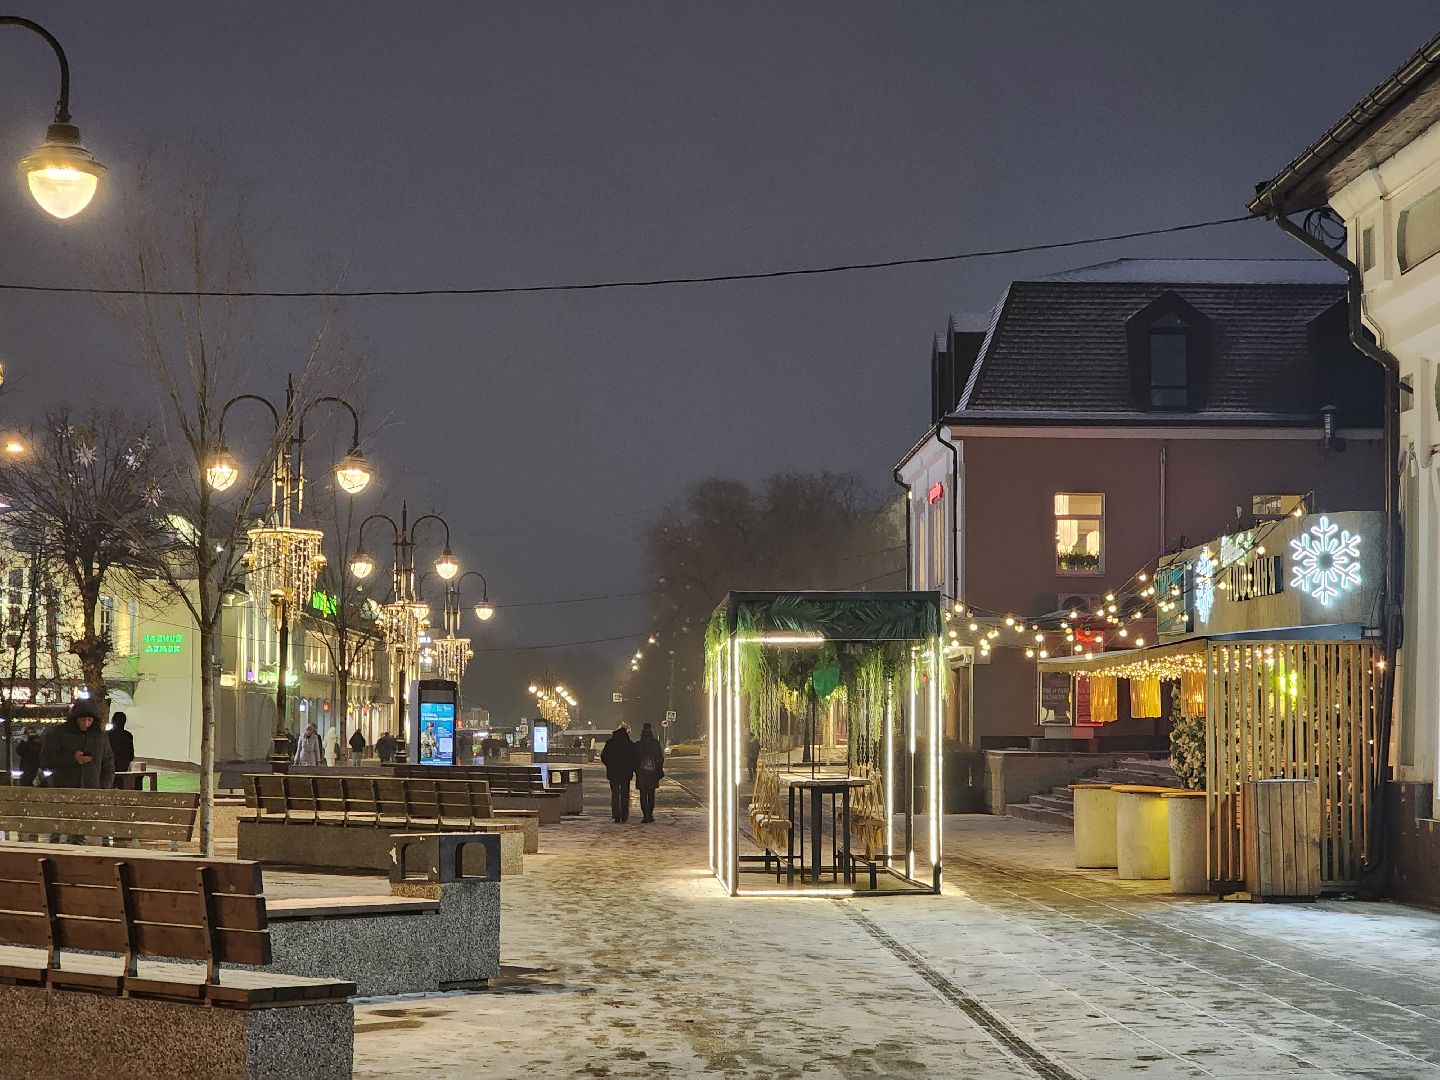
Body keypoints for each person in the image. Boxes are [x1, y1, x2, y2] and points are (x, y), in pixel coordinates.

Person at [40, 700, 115, 789]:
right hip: (64, 789)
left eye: (89, 720)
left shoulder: (100, 738)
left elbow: (108, 764)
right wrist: (72, 758)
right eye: (83, 720)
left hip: (93, 790)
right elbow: (46, 759)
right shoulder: (58, 734)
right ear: (75, 718)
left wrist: (104, 787)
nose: (86, 723)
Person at [600, 721, 638, 823]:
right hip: (626, 773)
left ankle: (616, 815)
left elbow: (604, 756)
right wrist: (632, 767)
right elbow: (634, 757)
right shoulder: (629, 744)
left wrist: (609, 765)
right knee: (625, 794)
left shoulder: (610, 743)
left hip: (613, 773)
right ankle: (624, 816)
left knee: (615, 794)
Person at [634, 722, 665, 823]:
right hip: (653, 773)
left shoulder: (639, 744)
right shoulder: (655, 744)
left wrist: (636, 769)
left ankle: (645, 815)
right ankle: (650, 815)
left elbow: (634, 759)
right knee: (651, 794)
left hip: (642, 773)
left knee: (643, 794)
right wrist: (659, 769)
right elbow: (660, 758)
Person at [109, 712, 136, 788]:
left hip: (110, 764)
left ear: (113, 721)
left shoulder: (107, 735)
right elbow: (131, 752)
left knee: (110, 786)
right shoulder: (128, 735)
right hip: (123, 765)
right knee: (122, 785)